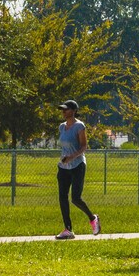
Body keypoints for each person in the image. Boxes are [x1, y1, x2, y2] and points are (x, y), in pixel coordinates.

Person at [55, 100, 100, 239]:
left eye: (66, 109)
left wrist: (71, 157)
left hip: (77, 165)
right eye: (62, 109)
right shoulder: (62, 127)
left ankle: (93, 218)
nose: (63, 112)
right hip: (63, 166)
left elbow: (83, 147)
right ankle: (68, 230)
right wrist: (64, 159)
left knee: (75, 198)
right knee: (62, 197)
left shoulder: (79, 126)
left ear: (73, 111)